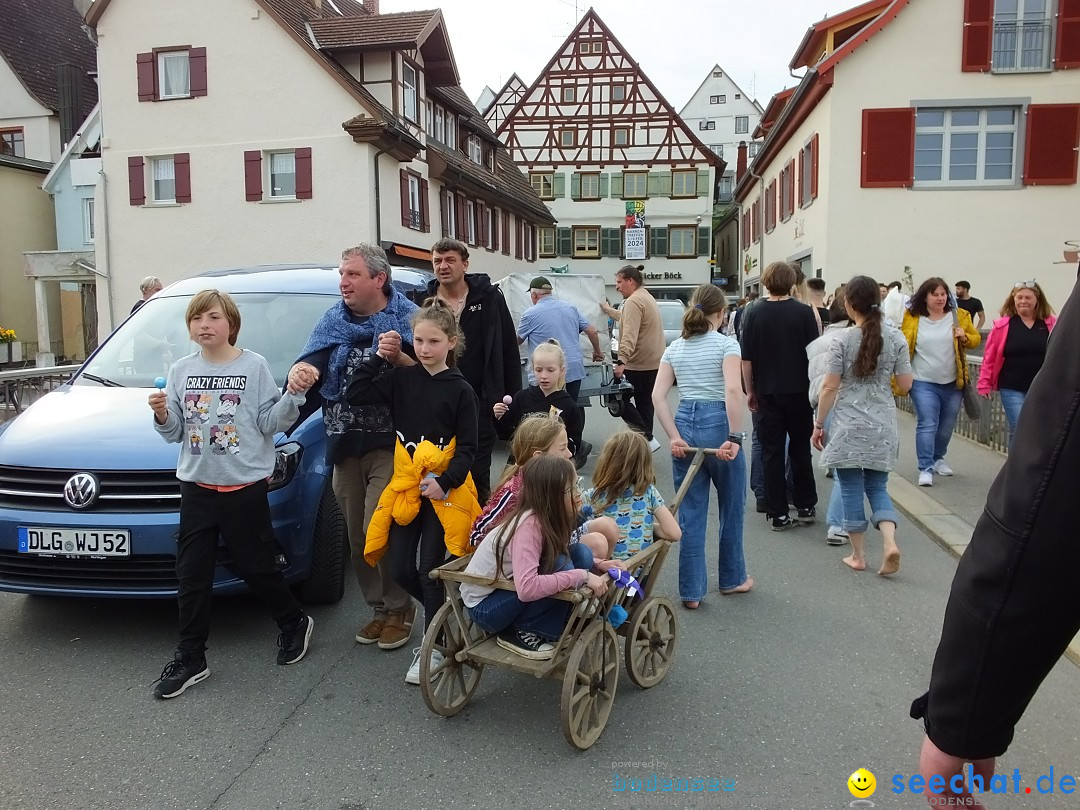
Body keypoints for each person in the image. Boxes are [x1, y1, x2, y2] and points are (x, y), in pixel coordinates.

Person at [912, 268, 1080, 804]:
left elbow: (1050, 490)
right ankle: (928, 462)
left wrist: (965, 716)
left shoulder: (1012, 322)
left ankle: (933, 460)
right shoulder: (958, 322)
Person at [147, 290, 315, 699]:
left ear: (231, 324)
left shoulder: (254, 366)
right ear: (189, 327)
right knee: (191, 574)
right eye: (197, 318)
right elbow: (173, 433)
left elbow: (268, 423)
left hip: (244, 487)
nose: (205, 325)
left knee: (256, 566)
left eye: (214, 317)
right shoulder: (181, 370)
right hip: (197, 488)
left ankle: (294, 622)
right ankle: (191, 657)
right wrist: (161, 413)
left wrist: (293, 395)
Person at [288, 244, 418, 652]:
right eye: (341, 274)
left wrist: (399, 358)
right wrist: (302, 371)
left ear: (379, 279)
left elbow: (434, 375)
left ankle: (401, 609)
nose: (343, 282)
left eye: (352, 274)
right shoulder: (332, 321)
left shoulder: (408, 318)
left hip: (392, 444)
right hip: (343, 442)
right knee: (358, 536)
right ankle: (379, 610)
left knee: (380, 529)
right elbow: (310, 364)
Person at [345, 299, 482, 685]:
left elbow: (470, 447)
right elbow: (356, 393)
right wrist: (381, 357)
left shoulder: (461, 391)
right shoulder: (403, 379)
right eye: (418, 340)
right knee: (401, 568)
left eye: (433, 341)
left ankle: (432, 645)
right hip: (407, 490)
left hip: (442, 493)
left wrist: (445, 481)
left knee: (429, 571)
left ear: (451, 343)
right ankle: (447, 617)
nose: (423, 349)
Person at [652, 284, 750, 609]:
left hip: (685, 421)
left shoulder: (675, 348)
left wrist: (673, 435)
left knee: (690, 512)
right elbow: (734, 392)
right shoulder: (727, 345)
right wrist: (735, 435)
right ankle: (732, 578)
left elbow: (657, 397)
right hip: (717, 421)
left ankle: (692, 592)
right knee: (731, 506)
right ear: (721, 314)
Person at [460, 454, 615, 659]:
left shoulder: (548, 516)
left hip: (505, 588)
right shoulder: (529, 525)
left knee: (581, 552)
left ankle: (553, 622)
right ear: (551, 496)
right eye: (571, 489)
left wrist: (600, 564)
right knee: (563, 566)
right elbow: (526, 589)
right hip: (486, 607)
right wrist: (582, 576)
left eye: (578, 484)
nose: (579, 493)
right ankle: (520, 632)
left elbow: (556, 552)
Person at [812, 276, 913, 575]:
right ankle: (890, 542)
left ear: (848, 304)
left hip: (848, 425)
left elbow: (830, 387)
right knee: (879, 488)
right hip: (882, 423)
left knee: (852, 489)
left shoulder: (842, 340)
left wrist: (819, 424)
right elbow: (906, 385)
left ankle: (858, 556)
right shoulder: (896, 338)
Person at [425, 238, 520, 504]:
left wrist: (512, 397)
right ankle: (444, 536)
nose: (443, 266)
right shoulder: (426, 302)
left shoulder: (488, 298)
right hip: (438, 403)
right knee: (439, 469)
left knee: (477, 474)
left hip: (480, 401)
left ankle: (477, 534)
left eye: (450, 260)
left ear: (465, 264)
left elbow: (507, 348)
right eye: (437, 261)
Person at [470, 412, 618, 558]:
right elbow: (478, 533)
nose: (569, 454)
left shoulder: (555, 480)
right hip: (528, 553)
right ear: (539, 457)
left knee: (606, 526)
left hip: (552, 541)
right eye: (562, 448)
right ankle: (585, 579)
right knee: (597, 544)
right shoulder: (514, 492)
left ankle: (602, 577)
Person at [740, 261, 820, 531]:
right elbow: (814, 353)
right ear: (793, 284)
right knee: (800, 449)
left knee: (771, 452)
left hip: (767, 391)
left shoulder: (753, 313)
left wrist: (750, 390)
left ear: (765, 283)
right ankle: (806, 502)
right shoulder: (804, 313)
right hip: (799, 389)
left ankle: (778, 513)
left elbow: (747, 359)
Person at [901, 277, 981, 487]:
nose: (940, 298)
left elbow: (975, 340)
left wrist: (965, 336)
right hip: (922, 381)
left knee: (946, 425)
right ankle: (925, 467)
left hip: (953, 382)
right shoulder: (912, 317)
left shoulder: (959, 316)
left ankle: (938, 458)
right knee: (927, 422)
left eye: (943, 294)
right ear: (925, 297)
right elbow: (902, 342)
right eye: (934, 294)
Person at [517, 275, 604, 463]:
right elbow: (592, 330)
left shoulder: (530, 314)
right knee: (571, 405)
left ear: (533, 295)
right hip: (570, 369)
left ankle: (552, 450)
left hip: (546, 370)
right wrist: (597, 351)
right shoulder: (570, 308)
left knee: (545, 411)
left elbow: (518, 340)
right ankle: (574, 444)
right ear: (550, 293)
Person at [581, 431, 681, 561]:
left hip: (606, 574)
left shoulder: (592, 496)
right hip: (637, 575)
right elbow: (674, 533)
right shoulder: (647, 492)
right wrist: (646, 525)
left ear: (605, 462)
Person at [976, 280, 1056, 442]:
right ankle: (1016, 467)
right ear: (1013, 299)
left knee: (1039, 429)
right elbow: (989, 358)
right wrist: (984, 383)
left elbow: (1061, 352)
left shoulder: (1051, 324)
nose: (1023, 301)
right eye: (1019, 297)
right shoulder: (1003, 326)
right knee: (1019, 426)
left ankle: (1033, 465)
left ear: (1037, 300)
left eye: (1028, 298)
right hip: (1012, 387)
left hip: (1042, 387)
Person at [599, 264, 665, 451]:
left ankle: (647, 437)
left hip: (637, 363)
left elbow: (629, 333)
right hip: (653, 363)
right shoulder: (646, 296)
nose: (617, 286)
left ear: (630, 281)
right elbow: (626, 318)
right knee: (645, 403)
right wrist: (608, 310)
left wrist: (621, 361)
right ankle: (644, 445)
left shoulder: (634, 301)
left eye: (619, 282)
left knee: (616, 399)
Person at [807, 286, 853, 546]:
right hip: (846, 403)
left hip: (821, 401)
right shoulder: (852, 338)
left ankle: (841, 522)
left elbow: (817, 380)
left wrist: (819, 418)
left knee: (840, 460)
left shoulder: (818, 342)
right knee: (847, 469)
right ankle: (837, 524)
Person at [494, 339, 584, 465]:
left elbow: (574, 445)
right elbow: (506, 434)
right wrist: (499, 416)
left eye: (550, 370)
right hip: (521, 463)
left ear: (561, 370)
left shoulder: (569, 406)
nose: (544, 376)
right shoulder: (521, 398)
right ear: (532, 369)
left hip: (552, 467)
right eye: (539, 370)